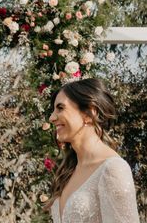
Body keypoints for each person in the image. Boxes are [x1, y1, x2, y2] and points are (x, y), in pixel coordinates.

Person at [47, 78, 139, 223]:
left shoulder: (112, 169)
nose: (52, 117)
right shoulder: (69, 170)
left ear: (89, 113)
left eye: (60, 108)